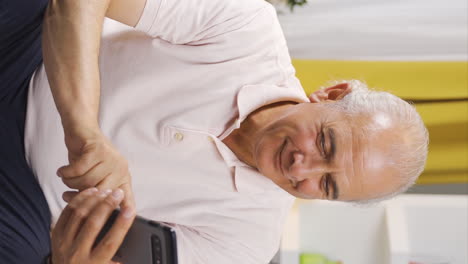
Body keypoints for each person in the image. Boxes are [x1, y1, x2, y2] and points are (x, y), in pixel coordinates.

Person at [0, 0, 429, 263]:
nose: (304, 166)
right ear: (332, 93)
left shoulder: (246, 246)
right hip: (28, 55)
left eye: (327, 184)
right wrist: (84, 131)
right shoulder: (248, 31)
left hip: (27, 203)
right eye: (325, 141)